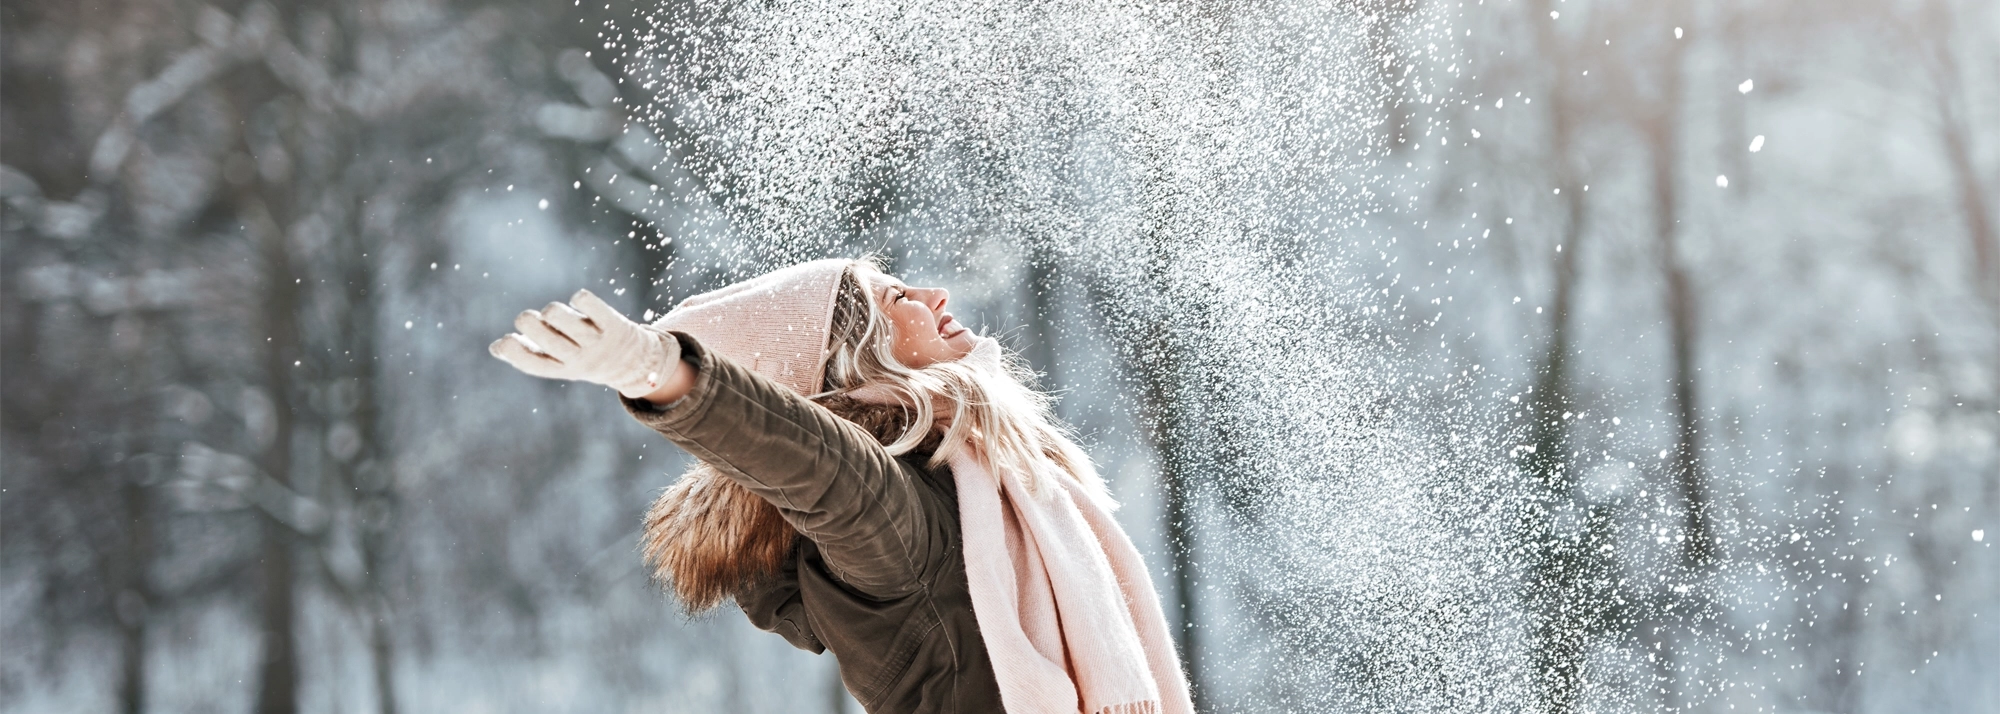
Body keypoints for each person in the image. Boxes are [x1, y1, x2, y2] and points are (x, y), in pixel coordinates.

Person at [490, 258, 1194, 714]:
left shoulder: (989, 486)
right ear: (854, 360)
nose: (935, 295)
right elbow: (826, 467)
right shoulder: (908, 528)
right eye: (897, 298)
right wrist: (664, 374)